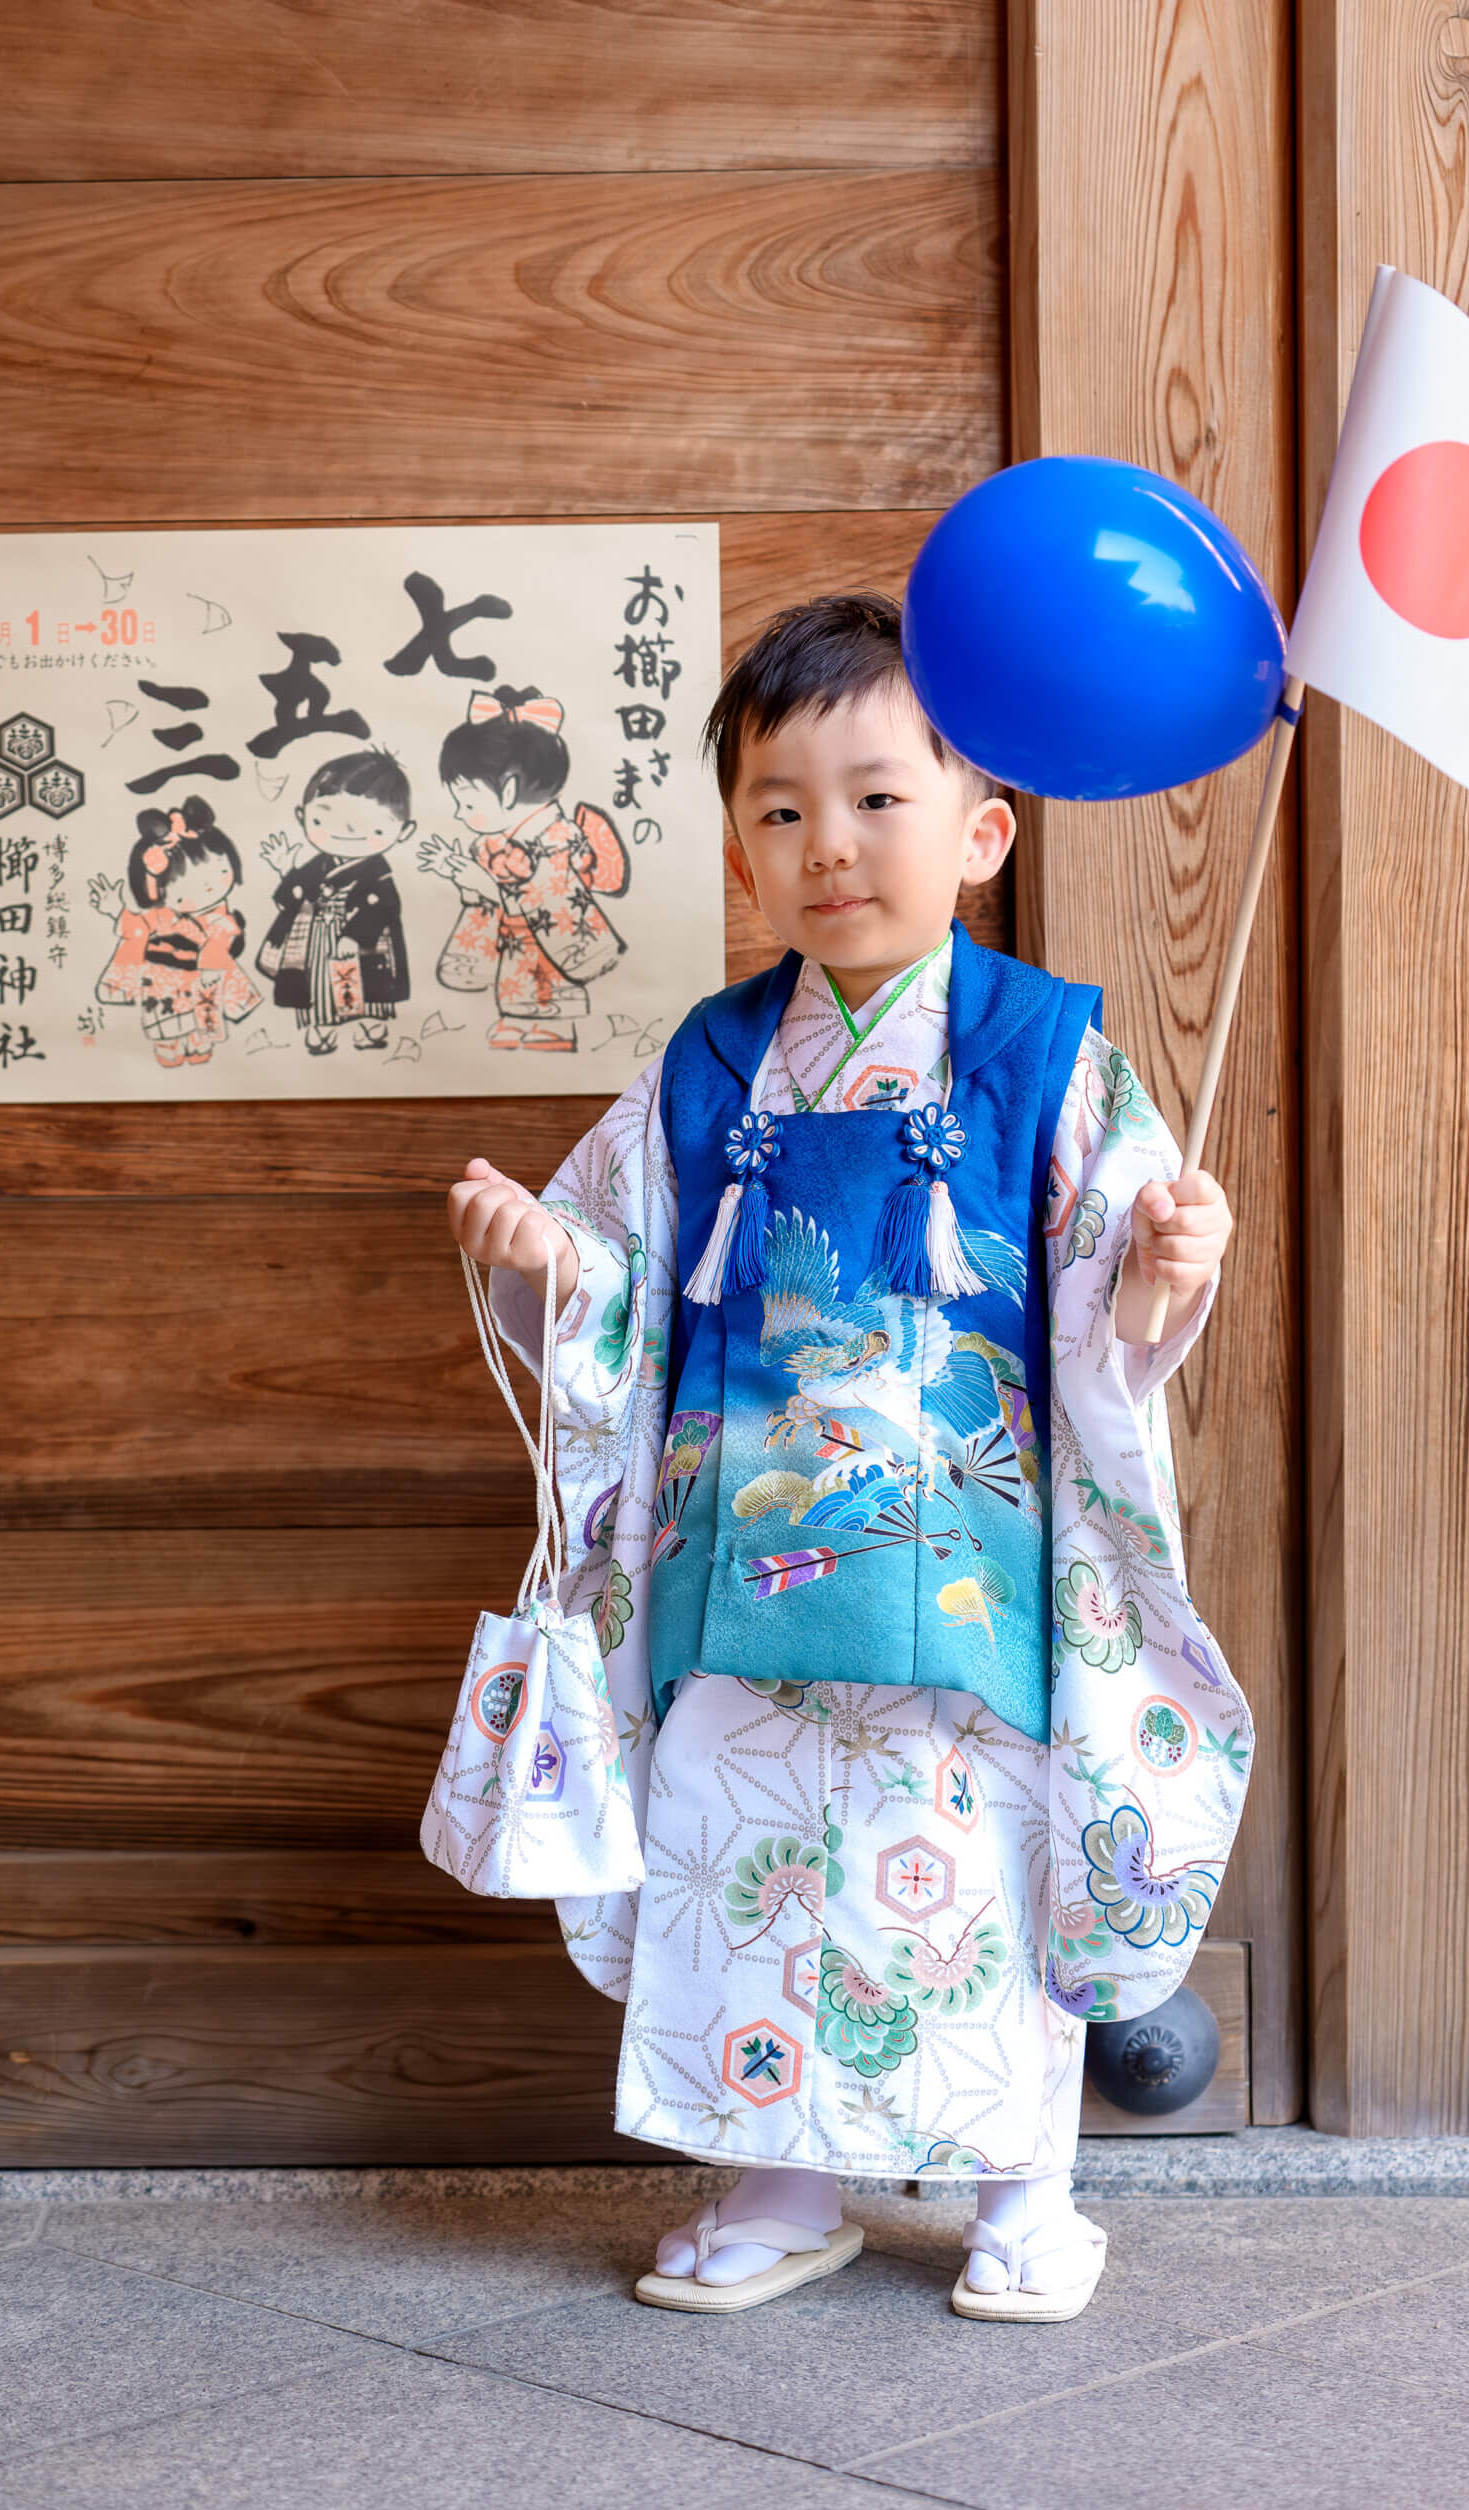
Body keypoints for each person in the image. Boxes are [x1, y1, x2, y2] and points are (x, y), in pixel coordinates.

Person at [446, 593, 1253, 2322]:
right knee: (747, 1858)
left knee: (971, 1870)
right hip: (741, 1554)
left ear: (980, 828)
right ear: (739, 845)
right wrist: (548, 1257)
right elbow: (623, 1263)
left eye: (878, 798)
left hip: (967, 1559)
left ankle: (1019, 2189)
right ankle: (782, 2174)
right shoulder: (711, 1061)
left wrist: (1161, 1272)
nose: (830, 846)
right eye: (781, 807)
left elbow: (1114, 1279)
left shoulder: (1043, 1057)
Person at [427, 685, 628, 1052]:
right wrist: (465, 877)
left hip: (554, 932)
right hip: (520, 933)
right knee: (517, 975)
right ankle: (517, 1018)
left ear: (507, 792)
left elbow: (548, 894)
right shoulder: (499, 841)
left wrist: (484, 885)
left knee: (548, 977)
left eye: (467, 802)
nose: (459, 814)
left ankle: (555, 1026)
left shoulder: (558, 837)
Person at [257, 749, 414, 1055]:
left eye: (373, 826)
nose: (348, 832)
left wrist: (356, 935)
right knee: (317, 984)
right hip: (317, 939)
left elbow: (383, 907)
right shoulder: (316, 867)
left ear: (403, 831)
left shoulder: (378, 875)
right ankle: (322, 1028)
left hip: (362, 941)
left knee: (367, 986)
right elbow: (291, 897)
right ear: (302, 817)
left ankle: (370, 1027)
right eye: (324, 819)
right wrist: (286, 871)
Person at [89, 797, 261, 1069]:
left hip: (202, 976)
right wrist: (117, 911)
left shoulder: (220, 918)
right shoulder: (159, 912)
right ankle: (167, 1047)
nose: (206, 887)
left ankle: (198, 1045)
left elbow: (225, 940)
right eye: (184, 882)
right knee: (165, 1021)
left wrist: (211, 960)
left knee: (203, 1019)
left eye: (221, 870)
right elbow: (139, 926)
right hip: (162, 979)